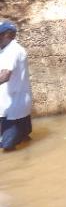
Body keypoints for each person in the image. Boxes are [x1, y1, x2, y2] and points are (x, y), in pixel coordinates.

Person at [0, 21, 32, 152]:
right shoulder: (6, 50)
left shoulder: (12, 50)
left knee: (7, 147)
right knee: (24, 137)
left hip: (13, 108)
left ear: (7, 35)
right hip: (17, 104)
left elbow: (5, 75)